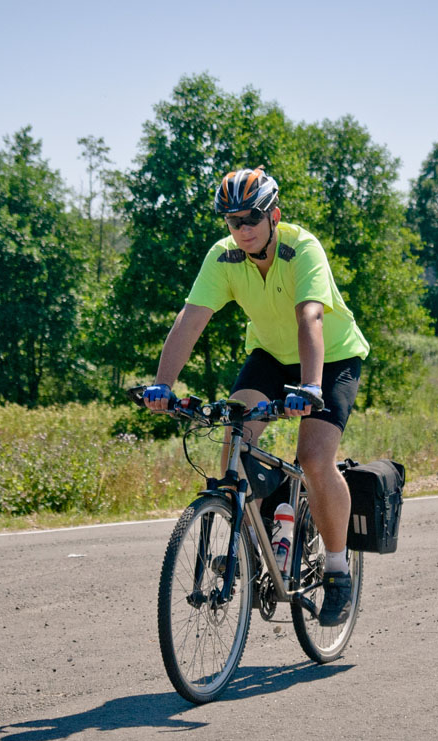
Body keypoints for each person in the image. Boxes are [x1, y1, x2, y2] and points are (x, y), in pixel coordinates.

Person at [142, 167, 369, 626]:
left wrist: (310, 387)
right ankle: (251, 541)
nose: (242, 229)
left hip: (330, 358)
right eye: (233, 220)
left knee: (314, 458)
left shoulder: (302, 248)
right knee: (235, 440)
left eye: (251, 218)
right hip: (270, 356)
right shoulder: (223, 257)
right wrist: (164, 385)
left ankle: (337, 571)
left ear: (273, 216)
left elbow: (310, 318)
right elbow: (191, 319)